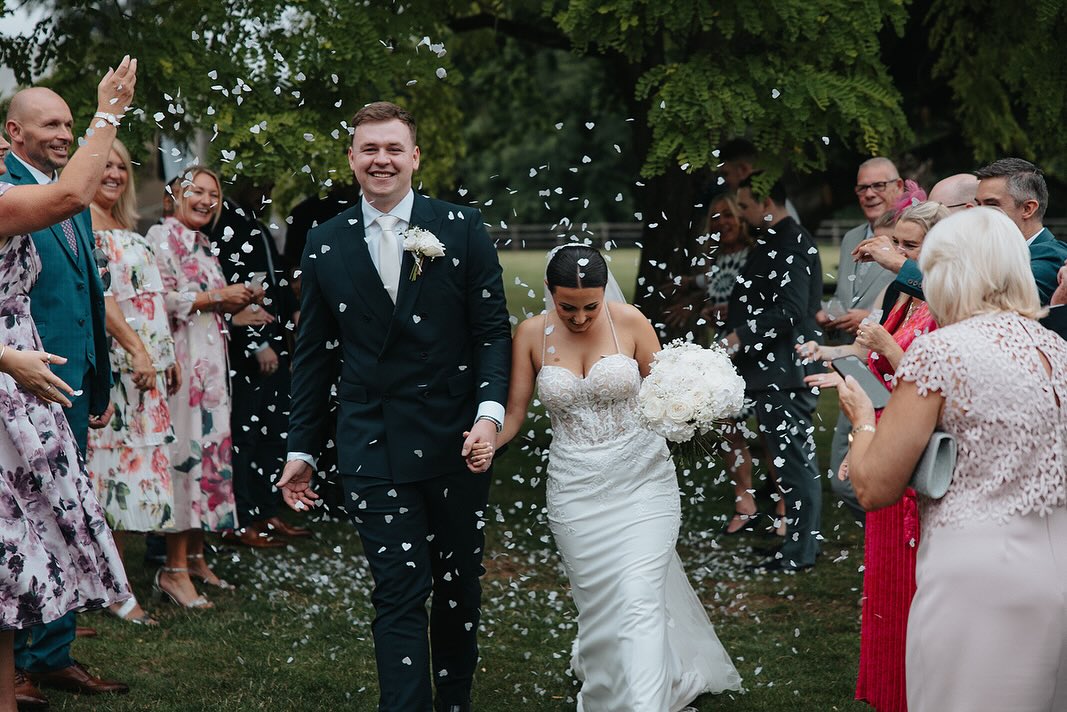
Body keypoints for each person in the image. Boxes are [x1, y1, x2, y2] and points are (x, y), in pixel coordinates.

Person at [278, 101, 512, 712]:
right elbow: (313, 355)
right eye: (368, 149)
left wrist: (488, 415)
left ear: (415, 157)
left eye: (393, 148)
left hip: (456, 439)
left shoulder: (460, 227)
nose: (381, 160)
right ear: (351, 158)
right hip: (371, 439)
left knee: (459, 585)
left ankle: (454, 701)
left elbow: (492, 333)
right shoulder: (325, 243)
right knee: (398, 589)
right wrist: (302, 448)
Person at [836, 207, 1067, 710]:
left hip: (976, 581)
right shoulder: (1056, 348)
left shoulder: (942, 351)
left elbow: (874, 486)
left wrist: (862, 420)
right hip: (1057, 571)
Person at [494, 243, 742, 710]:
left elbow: (666, 388)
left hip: (643, 481)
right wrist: (489, 439)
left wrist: (694, 407)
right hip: (574, 489)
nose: (581, 318)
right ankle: (615, 682)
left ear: (604, 293)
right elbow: (514, 413)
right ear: (550, 292)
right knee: (600, 605)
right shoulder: (530, 334)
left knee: (639, 598)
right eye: (568, 307)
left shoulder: (631, 322)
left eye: (590, 306)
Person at [0, 58, 136, 711]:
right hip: (14, 381)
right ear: (12, 132)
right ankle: (17, 665)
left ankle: (50, 655)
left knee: (61, 514)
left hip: (64, 381)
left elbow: (89, 288)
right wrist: (110, 111)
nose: (64, 132)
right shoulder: (21, 191)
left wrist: (99, 374)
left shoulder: (66, 189)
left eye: (70, 122)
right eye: (50, 123)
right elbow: (73, 194)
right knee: (19, 524)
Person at [802, 200, 948, 712]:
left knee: (912, 589)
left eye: (911, 246)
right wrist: (860, 415)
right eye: (899, 243)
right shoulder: (908, 297)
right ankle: (889, 693)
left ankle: (917, 696)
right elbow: (886, 375)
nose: (900, 254)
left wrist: (884, 343)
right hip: (888, 438)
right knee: (884, 587)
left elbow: (930, 388)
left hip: (914, 455)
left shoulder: (947, 307)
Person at [147, 166, 253, 609]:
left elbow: (206, 305)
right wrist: (218, 298)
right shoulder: (160, 237)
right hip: (181, 370)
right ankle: (170, 570)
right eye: (197, 191)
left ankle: (194, 557)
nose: (207, 200)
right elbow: (158, 300)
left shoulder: (205, 245)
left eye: (214, 194)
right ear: (174, 195)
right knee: (186, 458)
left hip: (209, 371)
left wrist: (239, 307)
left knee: (208, 454)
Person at [86, 138, 181, 626]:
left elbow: (146, 299)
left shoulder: (124, 225)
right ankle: (111, 590)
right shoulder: (81, 225)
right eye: (104, 165)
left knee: (126, 482)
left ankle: (114, 582)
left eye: (121, 166)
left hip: (147, 371)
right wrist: (138, 352)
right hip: (118, 369)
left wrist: (166, 356)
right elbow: (103, 301)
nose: (114, 174)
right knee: (104, 481)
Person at [724, 176, 823, 571]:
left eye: (746, 206)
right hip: (772, 372)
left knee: (796, 466)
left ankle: (801, 553)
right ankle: (793, 547)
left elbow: (791, 309)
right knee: (786, 466)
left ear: (766, 200)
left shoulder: (790, 242)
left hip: (786, 370)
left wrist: (738, 336)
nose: (743, 215)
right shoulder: (775, 239)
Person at [208, 187, 306, 547]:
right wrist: (257, 343)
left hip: (276, 335)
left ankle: (267, 510)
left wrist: (293, 309)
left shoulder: (254, 221)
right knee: (246, 435)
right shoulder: (224, 221)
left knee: (275, 429)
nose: (263, 183)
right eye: (257, 177)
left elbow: (272, 274)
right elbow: (235, 288)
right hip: (247, 347)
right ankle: (243, 517)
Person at [855, 157, 1067, 307]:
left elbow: (982, 302)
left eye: (991, 204)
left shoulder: (1050, 256)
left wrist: (899, 264)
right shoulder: (979, 252)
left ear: (1028, 208)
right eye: (977, 204)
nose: (976, 213)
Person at [821, 158, 903, 520]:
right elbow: (844, 293)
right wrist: (833, 312)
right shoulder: (853, 237)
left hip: (889, 357)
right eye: (862, 187)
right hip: (851, 357)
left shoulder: (911, 237)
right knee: (843, 472)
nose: (869, 194)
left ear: (899, 186)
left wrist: (868, 317)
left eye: (879, 186)